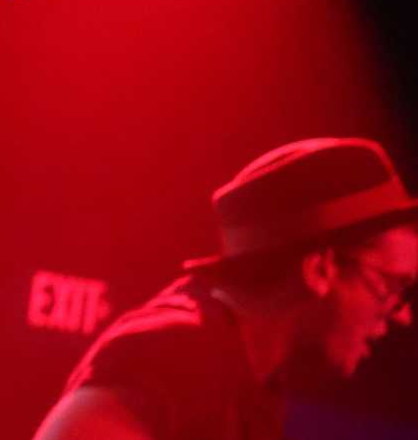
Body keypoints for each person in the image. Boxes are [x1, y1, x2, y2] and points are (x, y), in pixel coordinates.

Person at [33, 136, 418, 440]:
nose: (403, 314)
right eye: (393, 286)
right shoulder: (181, 356)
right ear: (320, 269)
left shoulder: (254, 388)